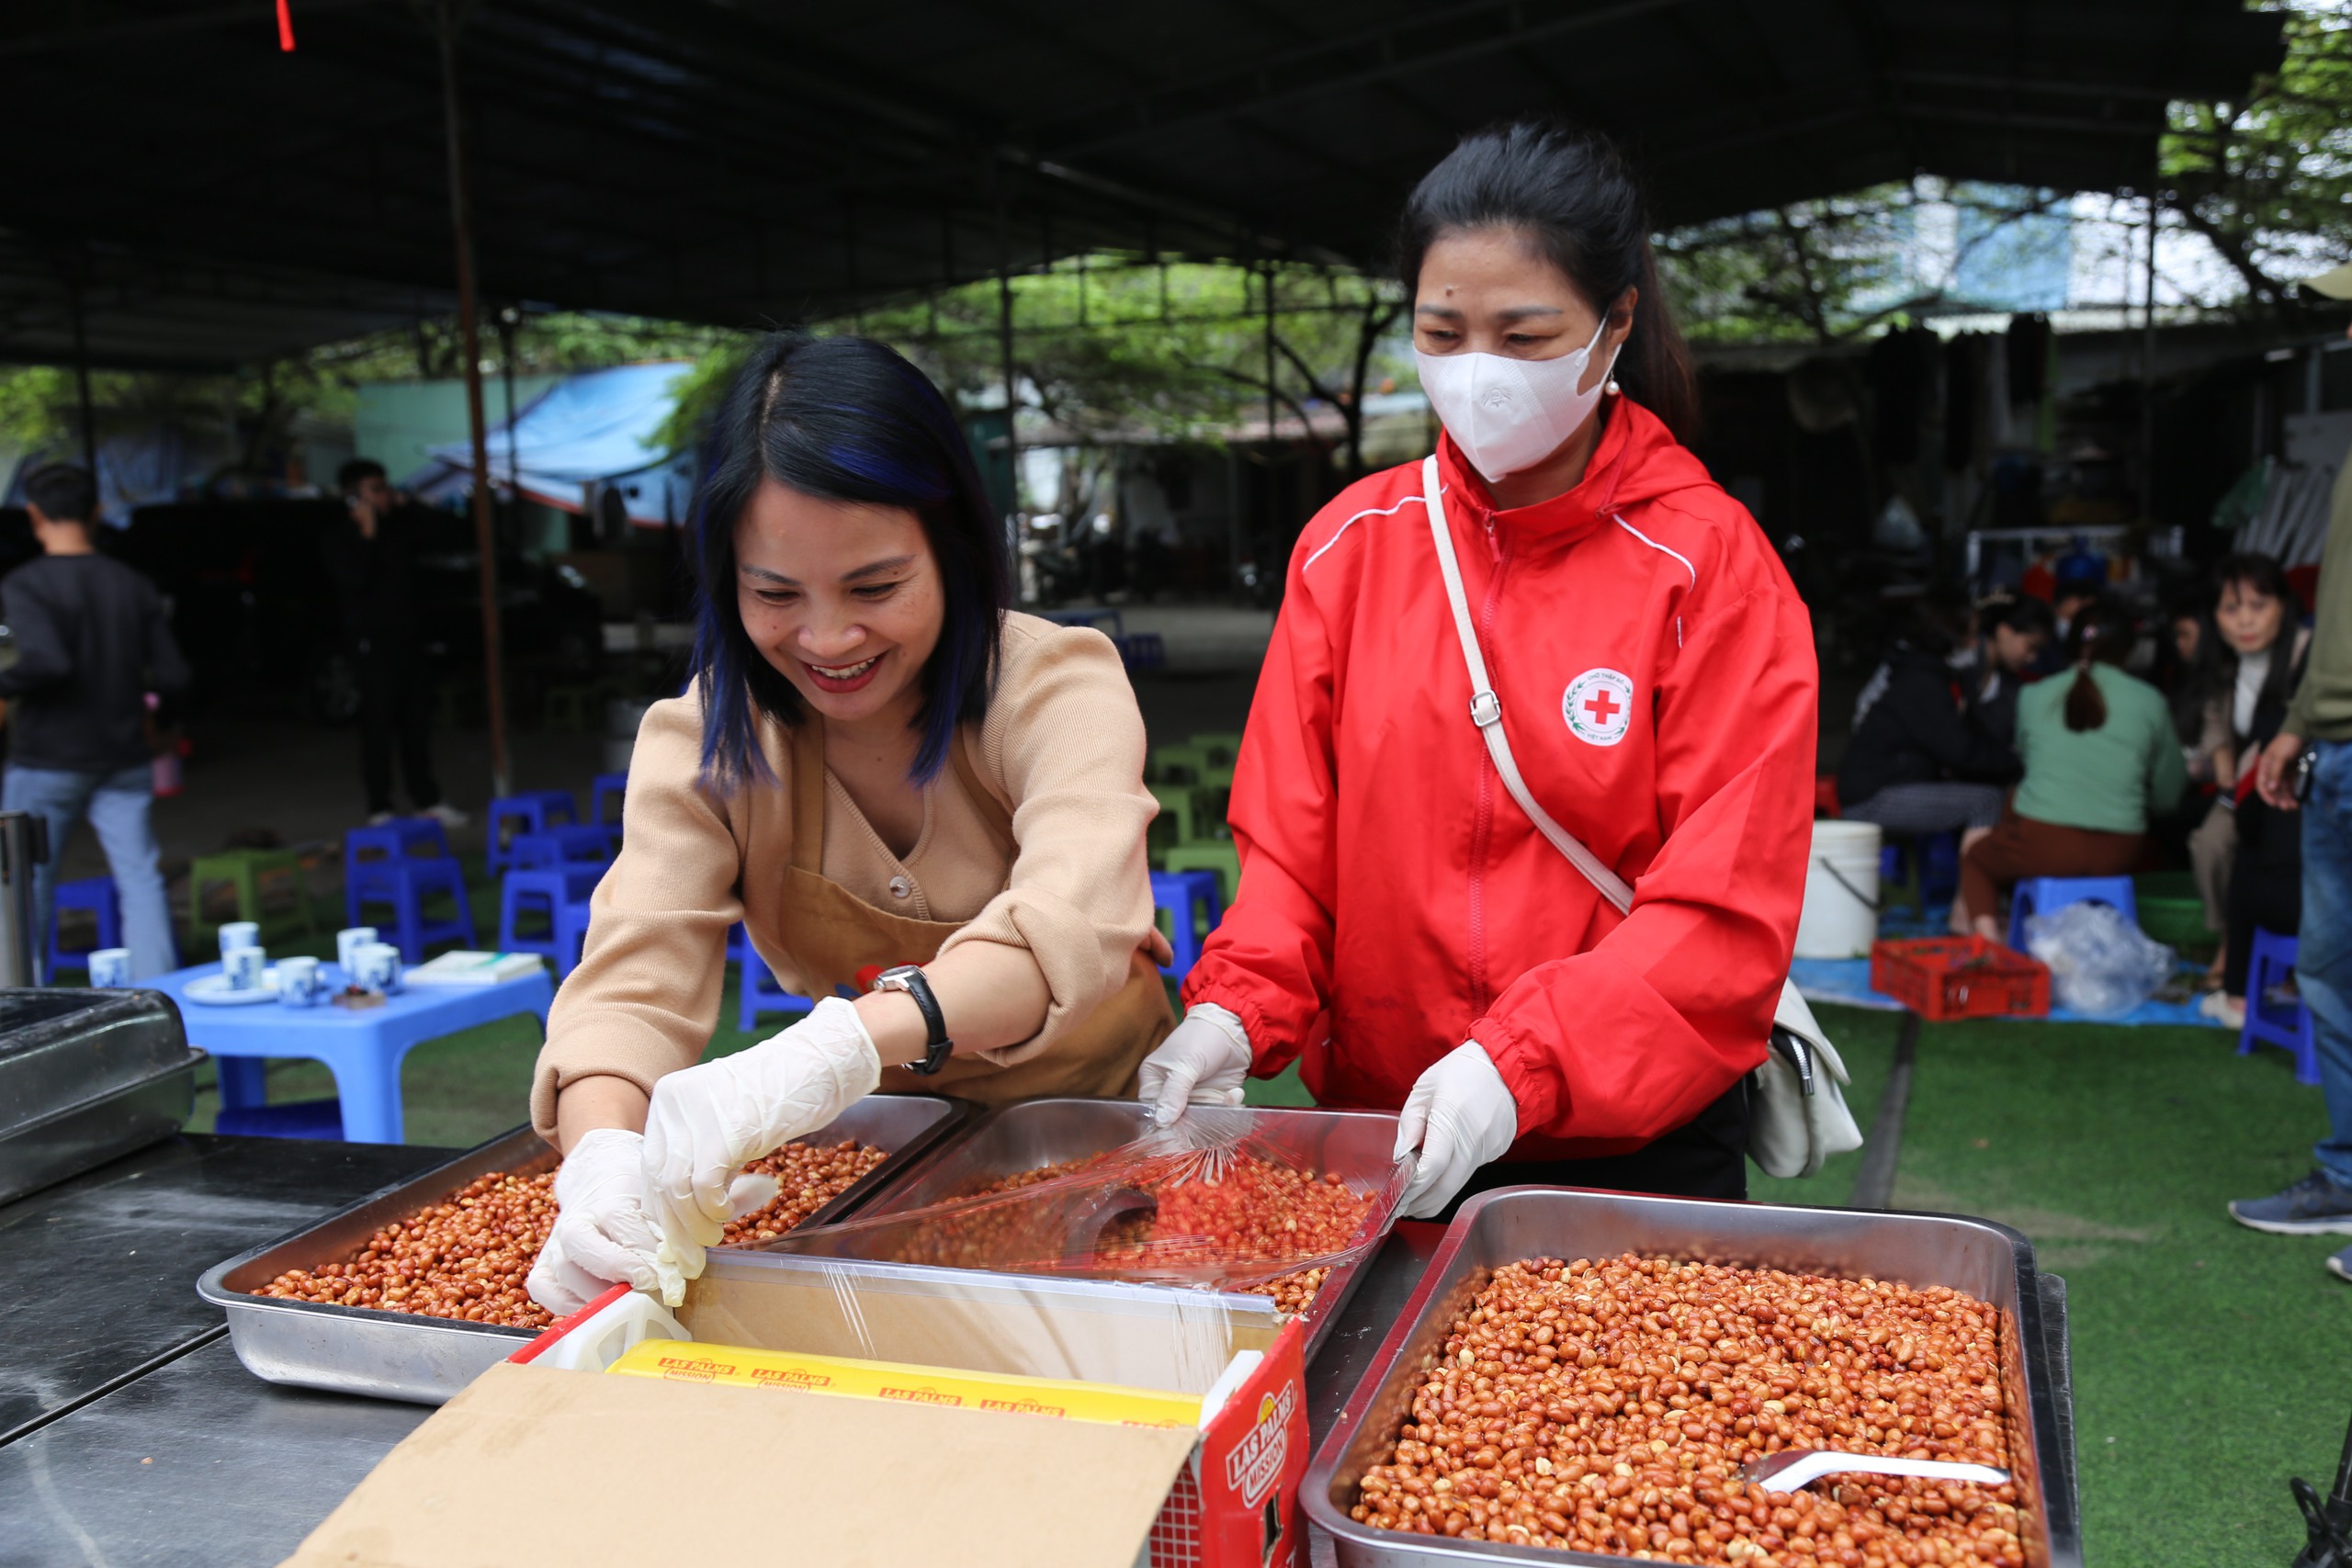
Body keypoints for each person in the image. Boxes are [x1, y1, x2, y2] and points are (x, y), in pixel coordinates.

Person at [1136, 122, 1818, 1218]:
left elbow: (1722, 914)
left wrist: (1519, 1064)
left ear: (1616, 323)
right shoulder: (1347, 549)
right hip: (1378, 1130)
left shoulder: (1708, 567)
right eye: (1442, 332)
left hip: (1625, 1140)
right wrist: (1234, 1011)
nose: (1477, 372)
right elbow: (1292, 855)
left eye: (1523, 334)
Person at [525, 333, 1172, 1314]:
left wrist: (826, 1052)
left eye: (875, 588)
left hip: (1110, 1133)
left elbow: (1061, 923)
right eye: (774, 594)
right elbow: (628, 988)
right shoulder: (706, 738)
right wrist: (604, 1161)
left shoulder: (1051, 683)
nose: (827, 641)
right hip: (888, 1158)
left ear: (952, 551)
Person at [2236, 265, 2352, 1280]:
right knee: (2326, 968)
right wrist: (2294, 725)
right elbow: (2337, 622)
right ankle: (2345, 1176)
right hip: (2335, 749)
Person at [0, 462, 189, 979]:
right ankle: (159, 1007)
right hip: (124, 756)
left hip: (47, 759)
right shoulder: (131, 583)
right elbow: (173, 674)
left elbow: (47, 662)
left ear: (34, 514)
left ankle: (16, 1012)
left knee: (22, 885)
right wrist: (158, 722)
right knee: (141, 880)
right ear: (98, 511)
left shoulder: (27, 584)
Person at [1952, 599, 2186, 940]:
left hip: (2043, 845)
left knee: (1976, 859)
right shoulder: (2150, 700)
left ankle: (1990, 946)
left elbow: (2031, 765)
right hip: (2120, 851)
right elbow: (2168, 796)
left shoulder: (2033, 695)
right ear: (2129, 651)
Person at [2179, 554, 2308, 995]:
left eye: (2259, 605)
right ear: (2215, 617)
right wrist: (2227, 783)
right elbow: (2217, 730)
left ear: (2284, 606)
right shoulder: (2223, 669)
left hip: (2299, 788)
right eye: (2232, 609)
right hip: (2249, 787)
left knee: (2267, 851)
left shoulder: (2306, 656)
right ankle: (2230, 939)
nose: (2245, 621)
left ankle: (2289, 963)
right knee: (2210, 843)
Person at [321, 459, 466, 828]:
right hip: (372, 646)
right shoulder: (340, 536)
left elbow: (452, 534)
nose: (384, 495)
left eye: (385, 487)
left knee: (416, 723)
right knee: (378, 725)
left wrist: (409, 504)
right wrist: (366, 536)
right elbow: (354, 580)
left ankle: (426, 797)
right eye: (375, 488)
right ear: (354, 495)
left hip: (409, 640)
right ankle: (379, 805)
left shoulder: (401, 528)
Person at [1837, 594, 2010, 853]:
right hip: (1873, 797)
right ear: (1950, 637)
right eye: (1971, 636)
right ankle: (1973, 893)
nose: (1976, 644)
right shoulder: (1922, 683)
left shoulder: (1929, 674)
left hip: (1887, 785)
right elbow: (1960, 751)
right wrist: (2015, 763)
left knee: (1981, 794)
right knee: (1986, 802)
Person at [1963, 593, 2055, 780]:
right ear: (2004, 631)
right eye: (2030, 647)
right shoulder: (1960, 665)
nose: (2033, 658)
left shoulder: (2010, 685)